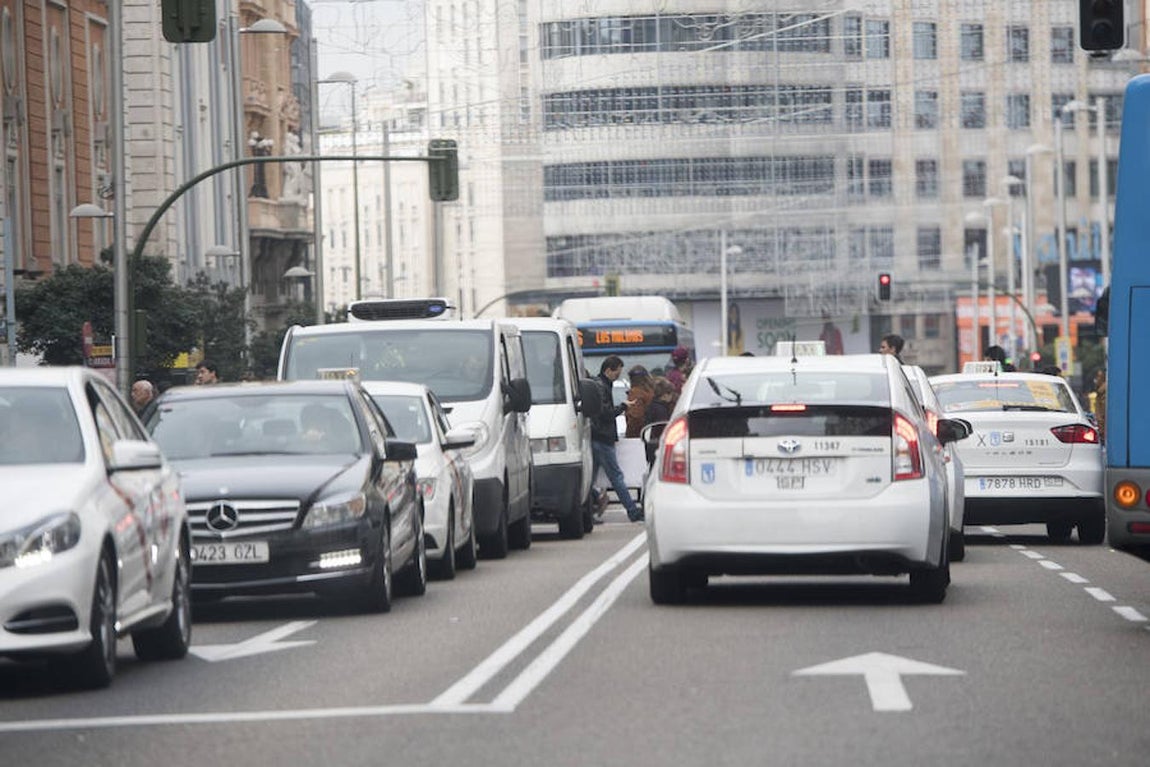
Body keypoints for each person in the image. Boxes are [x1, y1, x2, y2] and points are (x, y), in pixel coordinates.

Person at [590, 356, 643, 523]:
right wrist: (623, 407)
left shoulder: (600, 385)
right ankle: (632, 511)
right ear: (609, 370)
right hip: (603, 438)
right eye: (617, 372)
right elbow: (605, 413)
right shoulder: (602, 386)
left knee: (589, 479)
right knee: (616, 476)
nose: (618, 376)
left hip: (597, 436)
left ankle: (591, 508)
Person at [643, 377, 678, 466]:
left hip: (650, 445)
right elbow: (663, 429)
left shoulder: (652, 406)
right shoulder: (661, 410)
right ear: (665, 395)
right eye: (670, 394)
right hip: (658, 446)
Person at [624, 365, 654, 438]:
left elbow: (636, 416)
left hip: (638, 436)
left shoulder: (635, 393)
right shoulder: (651, 390)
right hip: (651, 432)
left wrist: (630, 434)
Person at [1091, 368, 1107, 442]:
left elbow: (1103, 415)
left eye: (1098, 377)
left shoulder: (1103, 393)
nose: (1096, 379)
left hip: (1104, 431)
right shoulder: (1100, 392)